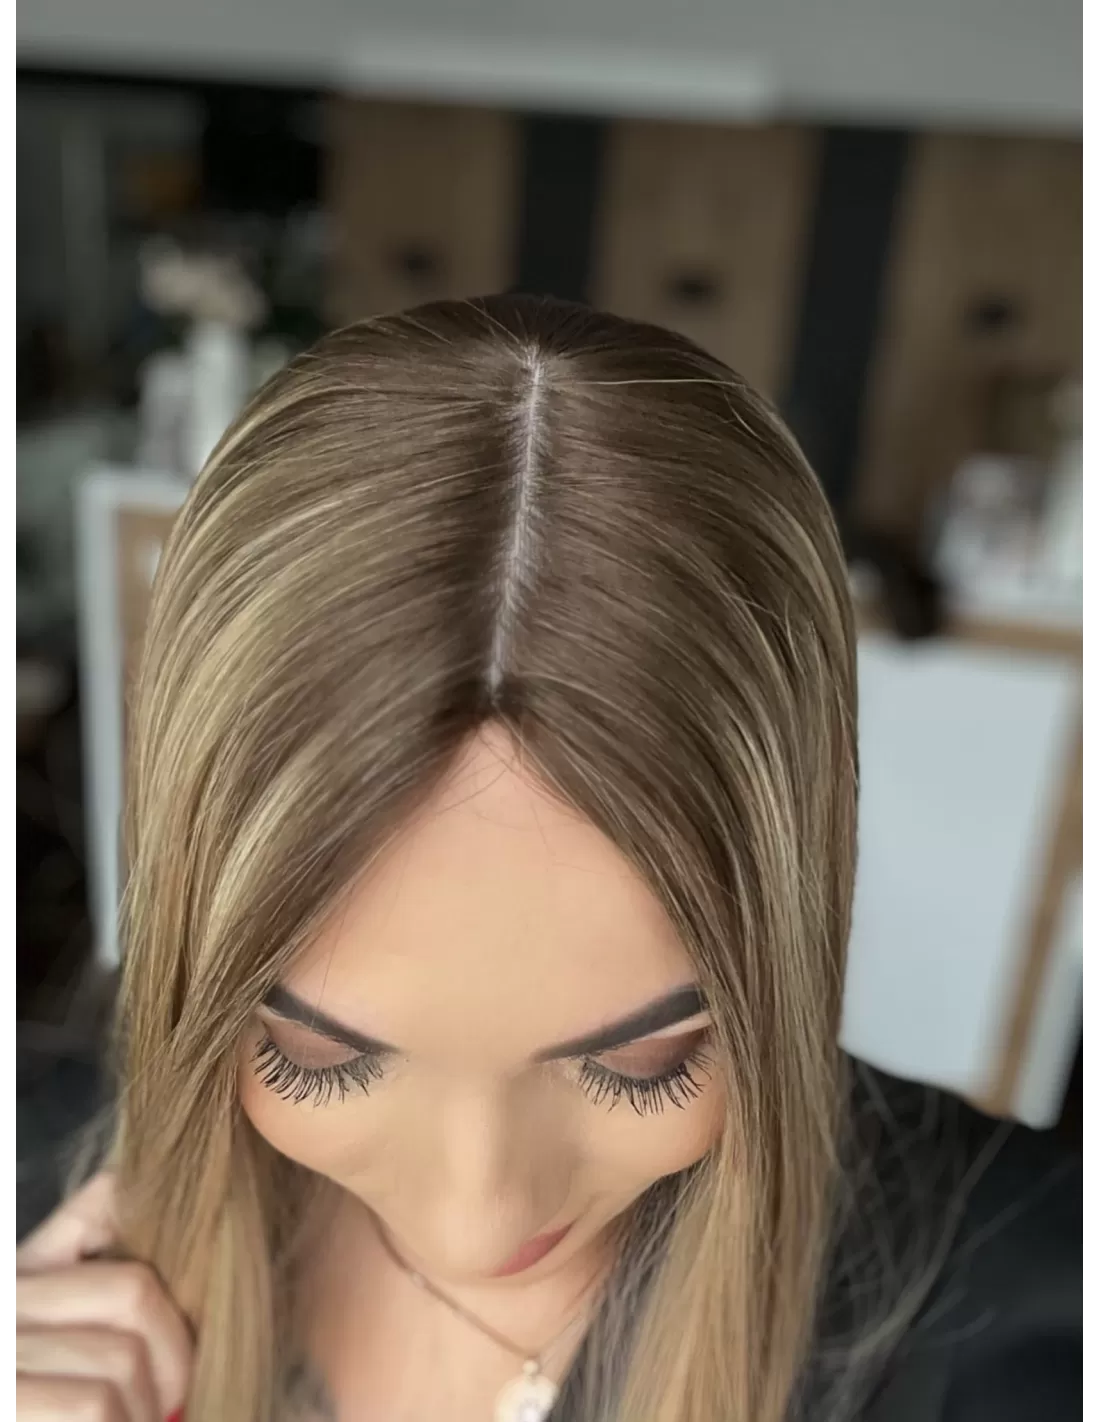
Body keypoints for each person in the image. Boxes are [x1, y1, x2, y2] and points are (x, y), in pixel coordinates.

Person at [16, 296, 1080, 1422]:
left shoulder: (1029, 1315)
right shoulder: (38, 1172)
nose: (476, 1224)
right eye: (317, 1055)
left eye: (643, 1063)